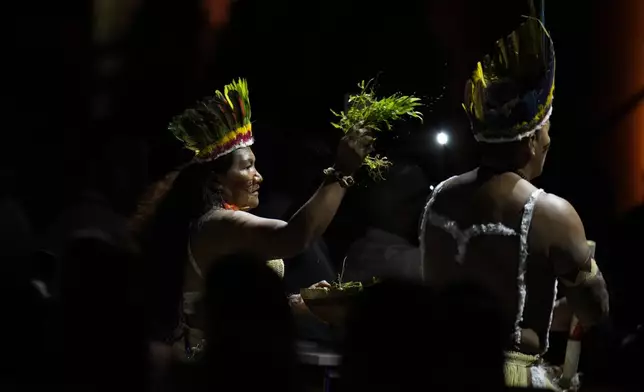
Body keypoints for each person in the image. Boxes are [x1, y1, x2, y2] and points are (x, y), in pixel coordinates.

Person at [419, 17, 609, 390]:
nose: (549, 142)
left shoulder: (438, 199)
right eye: (548, 130)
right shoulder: (552, 213)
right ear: (533, 138)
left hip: (439, 374)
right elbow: (594, 310)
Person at [134, 78, 373, 360]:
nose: (258, 176)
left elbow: (236, 305)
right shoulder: (216, 224)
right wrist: (342, 171)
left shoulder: (222, 223)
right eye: (248, 167)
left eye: (256, 165)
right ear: (216, 181)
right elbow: (294, 236)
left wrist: (297, 304)